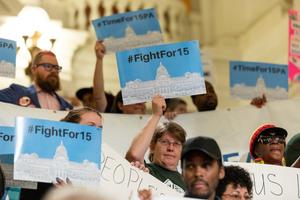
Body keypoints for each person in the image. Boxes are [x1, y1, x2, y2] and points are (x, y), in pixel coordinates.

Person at [20, 107, 103, 200]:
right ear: (71, 128)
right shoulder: (42, 157)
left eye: (99, 128)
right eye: (90, 126)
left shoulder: (97, 163)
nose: (96, 131)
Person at [126, 95, 186, 193]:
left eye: (176, 143)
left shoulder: (188, 183)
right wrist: (156, 115)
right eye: (165, 142)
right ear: (152, 146)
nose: (171, 148)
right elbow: (134, 155)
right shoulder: (144, 169)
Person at [0, 50, 72, 110]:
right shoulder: (16, 93)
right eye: (48, 66)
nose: (53, 71)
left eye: (56, 67)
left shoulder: (67, 106)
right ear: (34, 69)